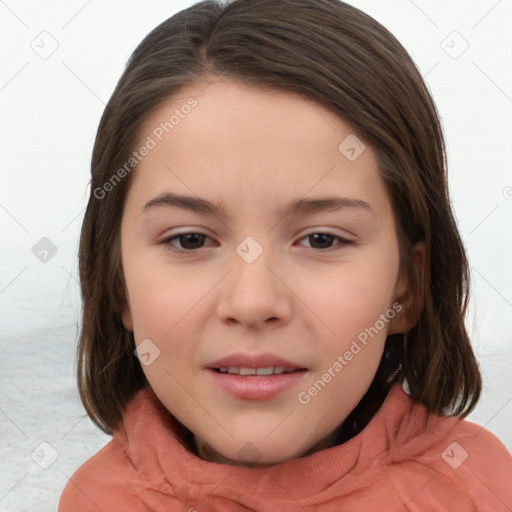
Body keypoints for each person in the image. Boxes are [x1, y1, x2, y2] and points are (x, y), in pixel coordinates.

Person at [58, 0, 512, 510]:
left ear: (407, 285)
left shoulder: (479, 490)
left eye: (321, 240)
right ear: (118, 282)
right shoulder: (93, 499)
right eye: (189, 240)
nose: (253, 303)